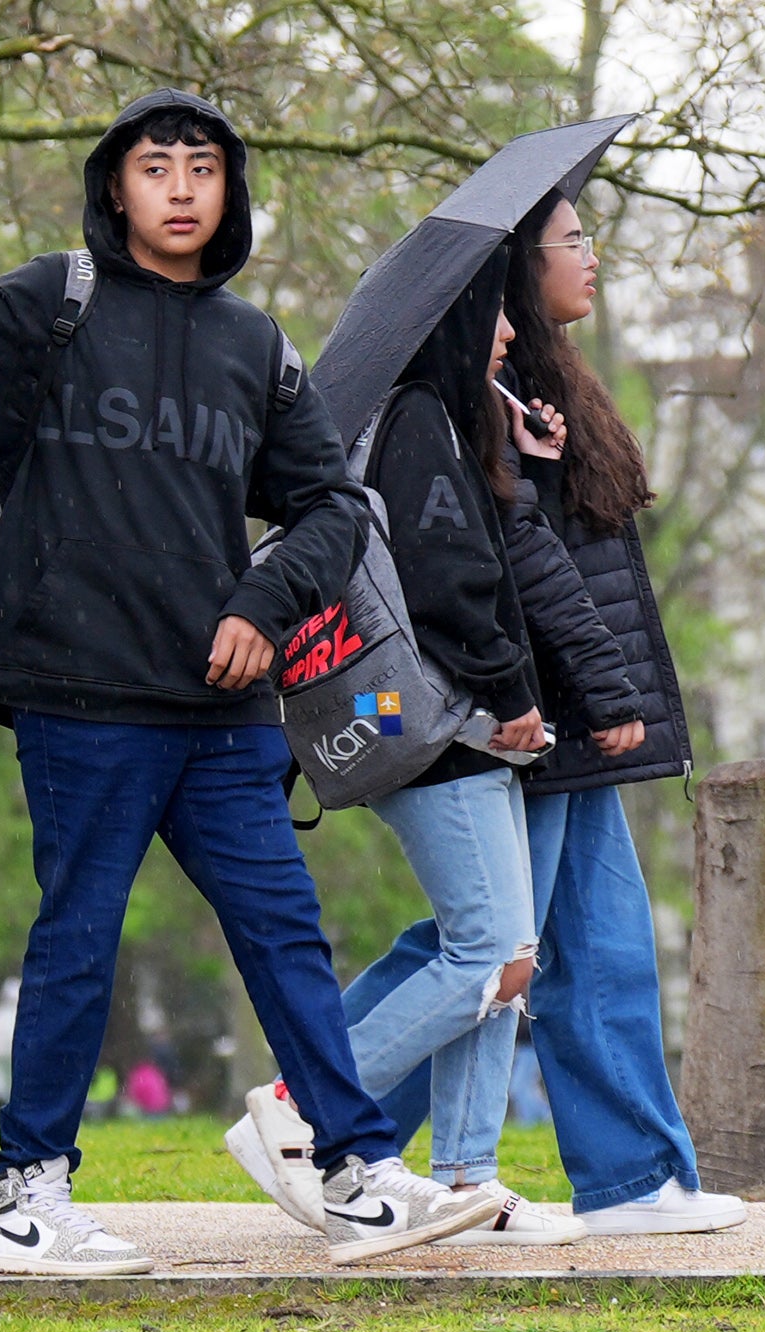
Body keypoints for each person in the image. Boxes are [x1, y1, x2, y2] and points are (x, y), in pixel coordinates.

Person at [0, 88, 501, 1274]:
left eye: (203, 167)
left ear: (230, 192)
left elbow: (333, 505)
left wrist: (259, 607)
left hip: (219, 711)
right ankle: (22, 1196)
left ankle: (358, 1176)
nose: (180, 186)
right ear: (114, 184)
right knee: (78, 939)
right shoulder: (47, 308)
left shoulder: (254, 345)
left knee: (285, 935)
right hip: (76, 692)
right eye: (155, 165)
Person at [332, 191, 744, 1234]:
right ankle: (330, 1121)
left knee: (532, 942)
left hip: (559, 705)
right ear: (511, 272)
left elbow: (557, 554)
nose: (590, 257)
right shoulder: (477, 394)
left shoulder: (534, 391)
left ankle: (606, 1175)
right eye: (572, 242)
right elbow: (509, 564)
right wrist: (592, 696)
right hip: (534, 710)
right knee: (505, 946)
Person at [238, 249, 585, 1247]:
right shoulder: (416, 423)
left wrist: (525, 467)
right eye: (495, 315)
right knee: (488, 951)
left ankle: (467, 1179)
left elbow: (491, 553)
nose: (512, 332)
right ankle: (295, 1100)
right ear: (451, 320)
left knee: (496, 957)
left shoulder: (435, 423)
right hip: (438, 719)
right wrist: (512, 693)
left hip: (440, 716)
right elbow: (447, 577)